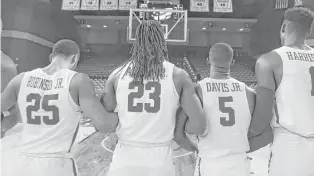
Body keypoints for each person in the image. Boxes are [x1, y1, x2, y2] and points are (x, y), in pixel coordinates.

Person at [101, 20, 206, 176]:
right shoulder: (178, 75)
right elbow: (198, 126)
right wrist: (178, 118)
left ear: (136, 41)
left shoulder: (117, 75)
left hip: (124, 158)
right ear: (162, 42)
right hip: (160, 160)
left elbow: (104, 123)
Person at [1, 39, 119, 176]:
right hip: (56, 165)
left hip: (21, 164)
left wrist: (8, 120)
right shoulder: (78, 81)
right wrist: (124, 114)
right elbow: (104, 124)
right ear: (75, 58)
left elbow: (4, 116)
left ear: (51, 57)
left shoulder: (21, 79)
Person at [249, 7, 314, 176]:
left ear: (284, 27)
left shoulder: (269, 60)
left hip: (290, 146)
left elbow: (262, 117)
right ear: (309, 31)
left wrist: (241, 138)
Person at [176, 43, 273, 176]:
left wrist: (195, 148)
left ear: (208, 61)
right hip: (240, 166)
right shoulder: (249, 93)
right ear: (232, 63)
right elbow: (267, 135)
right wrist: (241, 148)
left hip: (210, 164)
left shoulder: (197, 90)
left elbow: (180, 132)